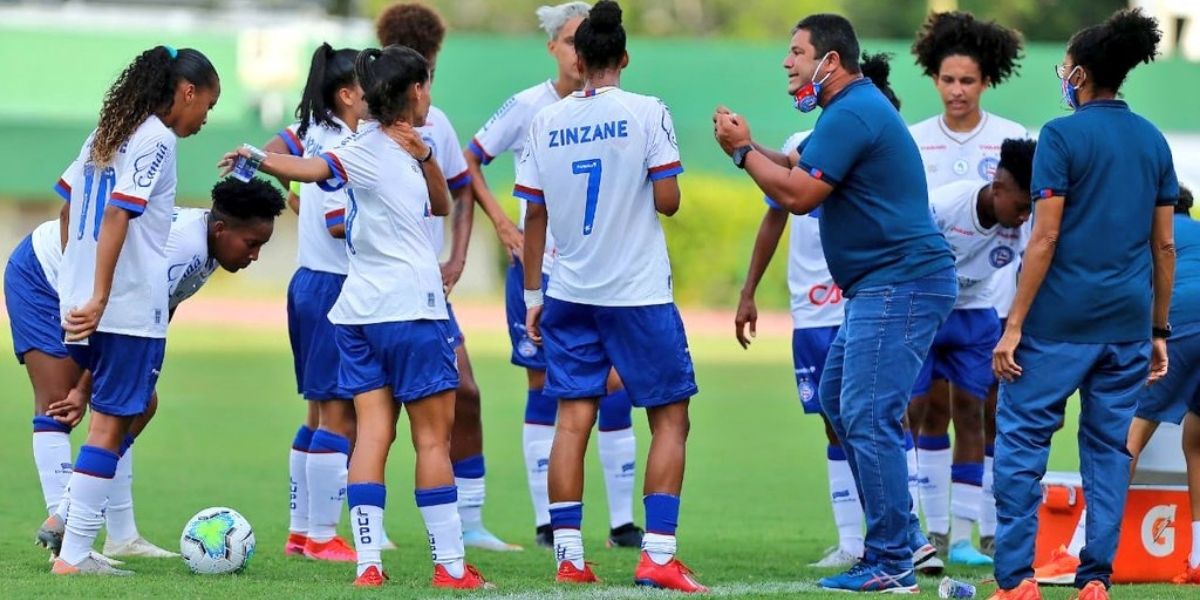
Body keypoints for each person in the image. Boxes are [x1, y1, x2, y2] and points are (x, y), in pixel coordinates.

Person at [221, 45, 490, 590]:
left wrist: (426, 156)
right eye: (427, 88)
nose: (430, 98)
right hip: (412, 310)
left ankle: (369, 563)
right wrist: (254, 157)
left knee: (371, 434)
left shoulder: (387, 145)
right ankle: (452, 568)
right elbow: (309, 167)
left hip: (359, 313)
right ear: (414, 92)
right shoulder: (366, 147)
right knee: (432, 441)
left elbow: (439, 204)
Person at [714, 13, 957, 593]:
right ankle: (897, 539)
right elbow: (798, 165)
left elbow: (797, 197)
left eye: (796, 51)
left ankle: (894, 558)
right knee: (838, 400)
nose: (786, 61)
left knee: (868, 414)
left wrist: (742, 151)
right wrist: (752, 149)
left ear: (830, 60)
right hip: (887, 284)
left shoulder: (852, 112)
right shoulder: (851, 110)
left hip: (900, 282)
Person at [989, 8, 1178, 600]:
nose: (1061, 74)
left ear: (1080, 75)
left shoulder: (1061, 136)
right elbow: (1165, 245)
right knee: (1107, 452)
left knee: (1021, 445)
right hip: (1126, 325)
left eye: (1065, 66)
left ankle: (1018, 581)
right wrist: (1158, 329)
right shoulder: (1152, 139)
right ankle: (1095, 581)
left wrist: (1013, 325)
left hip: (1057, 325)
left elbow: (1043, 238)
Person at [517, 1, 704, 592]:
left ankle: (569, 558)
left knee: (572, 421)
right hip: (636, 292)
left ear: (578, 57)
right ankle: (658, 553)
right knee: (670, 416)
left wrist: (531, 297)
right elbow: (668, 200)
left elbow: (535, 215)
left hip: (568, 291)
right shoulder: (648, 111)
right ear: (623, 57)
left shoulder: (544, 122)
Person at [18, 178, 282, 562]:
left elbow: (155, 314)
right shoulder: (183, 248)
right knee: (60, 401)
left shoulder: (206, 245)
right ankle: (67, 533)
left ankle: (118, 536)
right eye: (252, 244)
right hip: (44, 275)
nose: (255, 255)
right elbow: (124, 315)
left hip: (105, 299)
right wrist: (83, 389)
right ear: (222, 229)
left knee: (139, 402)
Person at [463, 0, 643, 550]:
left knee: (614, 383)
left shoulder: (617, 108)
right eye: (568, 40)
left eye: (583, 40)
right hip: (541, 272)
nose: (576, 51)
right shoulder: (528, 106)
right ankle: (548, 522)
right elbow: (471, 157)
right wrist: (501, 222)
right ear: (554, 48)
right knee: (542, 384)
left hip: (607, 272)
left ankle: (619, 523)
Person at [44, 45, 220, 576]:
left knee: (110, 422)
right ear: (186, 92)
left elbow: (68, 206)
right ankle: (73, 557)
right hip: (122, 307)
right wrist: (101, 293)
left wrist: (79, 286)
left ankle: (74, 545)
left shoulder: (107, 131)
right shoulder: (158, 138)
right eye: (206, 105)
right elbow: (120, 213)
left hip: (81, 304)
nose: (205, 118)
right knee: (110, 427)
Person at [733, 52, 904, 570]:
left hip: (870, 297)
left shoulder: (879, 144)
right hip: (814, 306)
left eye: (799, 55)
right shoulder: (802, 146)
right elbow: (780, 207)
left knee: (880, 414)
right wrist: (748, 290)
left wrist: (742, 149)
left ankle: (903, 535)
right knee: (834, 417)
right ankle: (855, 539)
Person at [375, 2, 519, 551]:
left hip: (429, 290)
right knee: (374, 408)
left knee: (465, 392)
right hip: (377, 289)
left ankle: (471, 519)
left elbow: (459, 190)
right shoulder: (364, 126)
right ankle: (371, 526)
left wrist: (457, 258)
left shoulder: (437, 123)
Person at [907, 11, 1027, 563]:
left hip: (989, 304)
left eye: (968, 81)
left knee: (980, 414)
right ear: (934, 79)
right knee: (923, 411)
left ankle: (973, 534)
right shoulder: (913, 141)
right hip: (927, 302)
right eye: (948, 80)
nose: (957, 91)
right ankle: (927, 533)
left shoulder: (1011, 139)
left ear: (986, 82)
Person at [1034, 191, 1200, 588]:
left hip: (1177, 323)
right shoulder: (1196, 230)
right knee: (1197, 441)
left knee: (1123, 440)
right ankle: (1198, 558)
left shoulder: (1142, 232)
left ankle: (1076, 553)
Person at [264, 42, 372, 563]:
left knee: (316, 413)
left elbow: (271, 147)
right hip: (333, 286)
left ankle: (302, 531)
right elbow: (336, 221)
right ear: (348, 94)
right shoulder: (341, 145)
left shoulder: (311, 130)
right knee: (341, 415)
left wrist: (294, 196)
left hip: (309, 282)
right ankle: (325, 535)